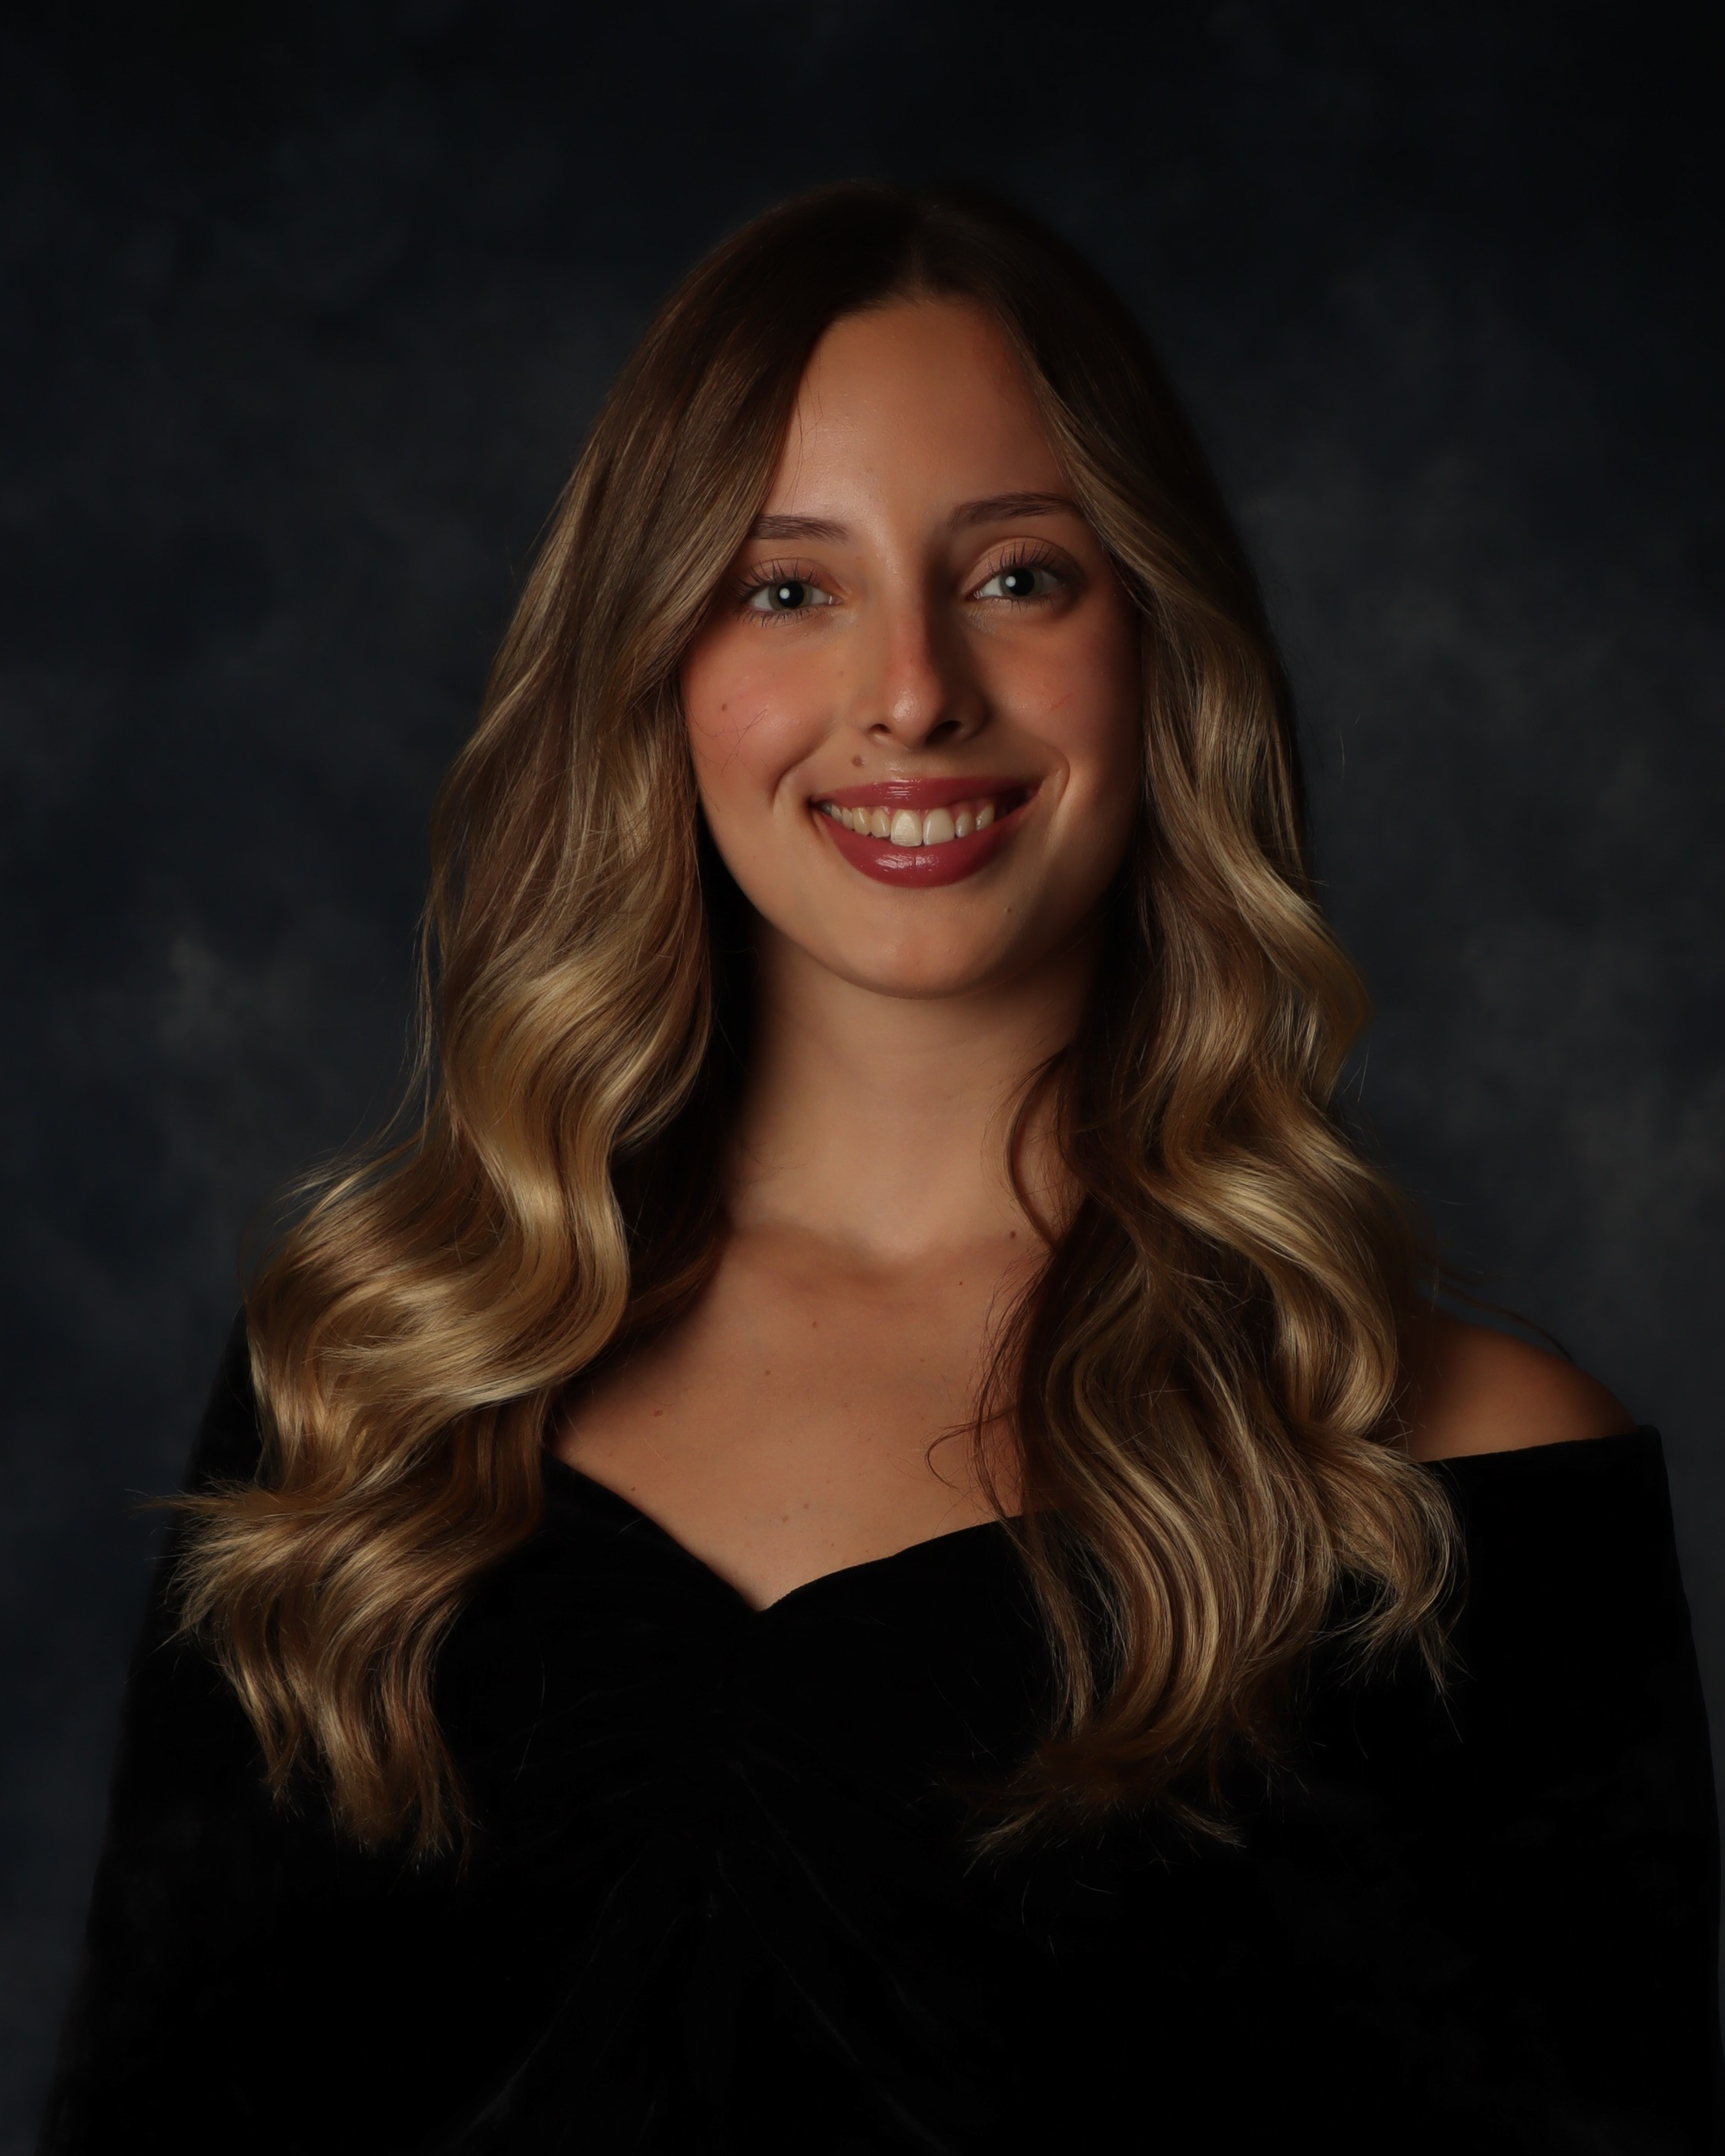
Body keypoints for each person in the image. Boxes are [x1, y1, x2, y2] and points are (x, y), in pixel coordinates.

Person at [43, 185, 1721, 2154]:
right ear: (654, 666)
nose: (913, 688)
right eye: (786, 588)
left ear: (1160, 644)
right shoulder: (367, 1396)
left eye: (1017, 575)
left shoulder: (1452, 1473)